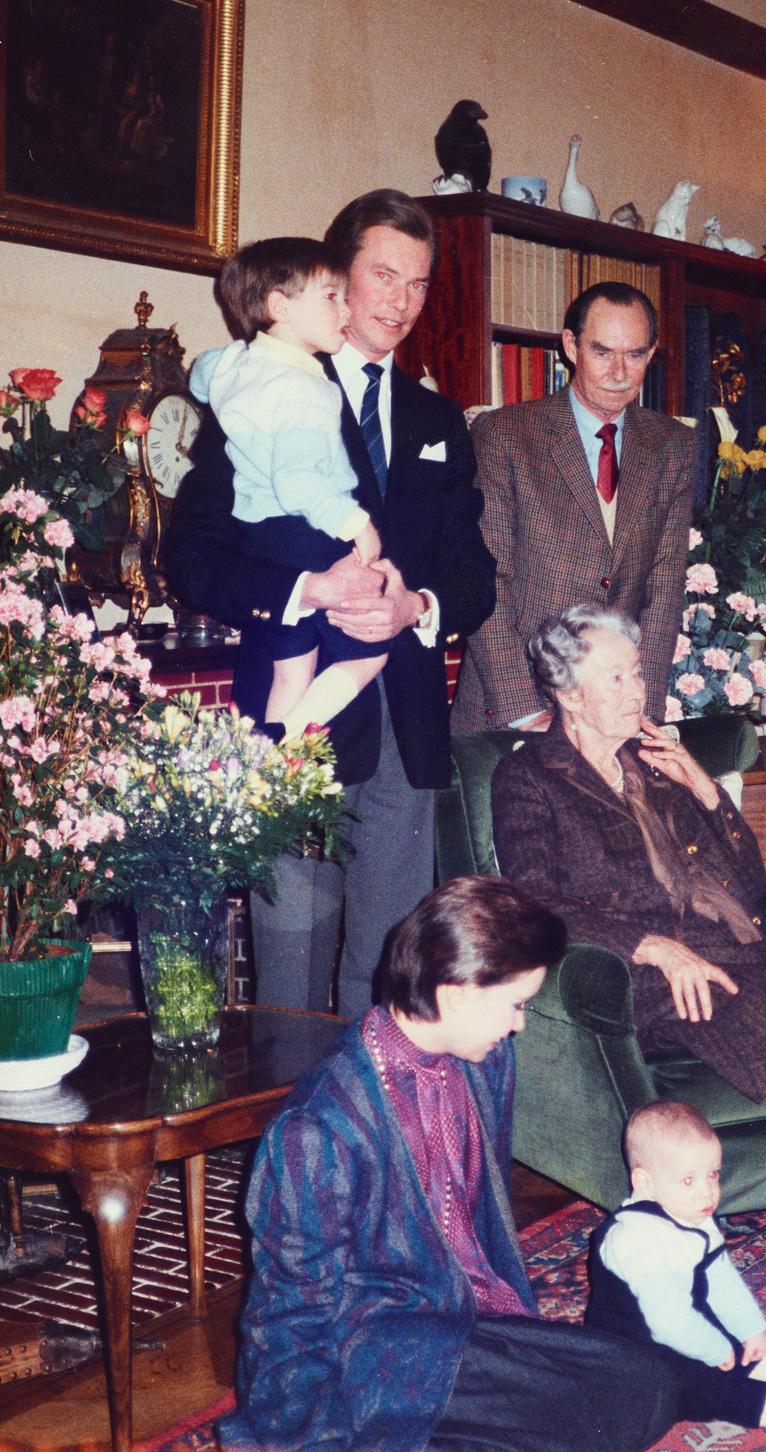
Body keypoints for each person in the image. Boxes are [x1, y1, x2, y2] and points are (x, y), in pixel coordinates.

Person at [172, 876, 678, 1452]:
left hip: (460, 1324)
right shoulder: (318, 1131)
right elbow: (285, 1322)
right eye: (516, 1005)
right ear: (457, 993)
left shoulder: (485, 1061)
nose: (519, 1024)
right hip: (370, 1353)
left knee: (647, 1383)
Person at [490, 605, 766, 1327]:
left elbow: (745, 883)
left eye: (637, 670)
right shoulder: (529, 778)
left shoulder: (657, 761)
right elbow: (533, 900)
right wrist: (651, 946)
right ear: (570, 691)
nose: (636, 687)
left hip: (734, 955)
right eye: (617, 674)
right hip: (650, 982)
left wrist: (706, 789)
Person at [167, 191, 496, 1019]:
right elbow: (192, 556)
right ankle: (289, 1143)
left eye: (418, 285)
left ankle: (370, 1143)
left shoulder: (437, 419)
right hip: (297, 731)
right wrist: (302, 589)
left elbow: (473, 575)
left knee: (391, 982)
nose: (399, 302)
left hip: (405, 728)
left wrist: (413, 605)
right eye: (382, 275)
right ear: (335, 277)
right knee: (290, 978)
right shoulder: (260, 390)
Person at [451, 282, 696, 733]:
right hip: (513, 710)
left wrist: (642, 711)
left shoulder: (672, 445)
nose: (620, 372)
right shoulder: (505, 436)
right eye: (603, 352)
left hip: (614, 715)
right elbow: (487, 583)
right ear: (570, 345)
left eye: (636, 354)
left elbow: (663, 591)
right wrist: (526, 712)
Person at [190, 237, 388, 739]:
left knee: (292, 665)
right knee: (373, 652)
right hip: (306, 532)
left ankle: (274, 754)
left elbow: (200, 373)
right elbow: (298, 482)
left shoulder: (235, 364)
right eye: (331, 296)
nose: (347, 309)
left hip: (260, 538)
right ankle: (293, 741)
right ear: (280, 307)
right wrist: (356, 524)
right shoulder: (302, 389)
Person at [586, 1100, 766, 1441]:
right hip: (638, 1355)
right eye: (688, 1180)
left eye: (712, 1175)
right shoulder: (642, 1242)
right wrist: (714, 1349)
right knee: (711, 1385)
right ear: (644, 1182)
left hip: (685, 1322)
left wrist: (750, 1329)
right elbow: (668, 1323)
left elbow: (721, 1279)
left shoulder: (691, 1213)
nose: (707, 1191)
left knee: (733, 1339)